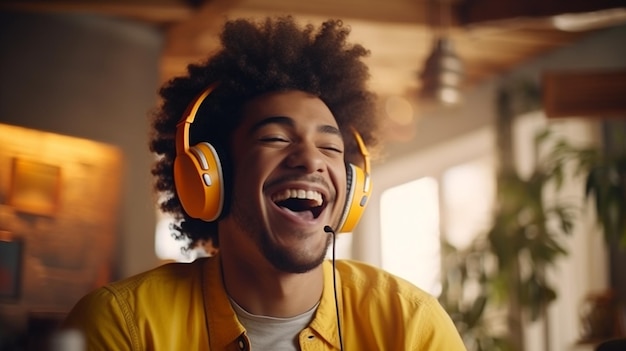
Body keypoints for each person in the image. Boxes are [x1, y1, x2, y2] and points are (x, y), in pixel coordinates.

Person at [62, 16, 467, 350]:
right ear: (211, 175)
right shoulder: (121, 327)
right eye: (275, 138)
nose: (310, 159)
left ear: (353, 189)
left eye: (330, 147)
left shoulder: (410, 325)